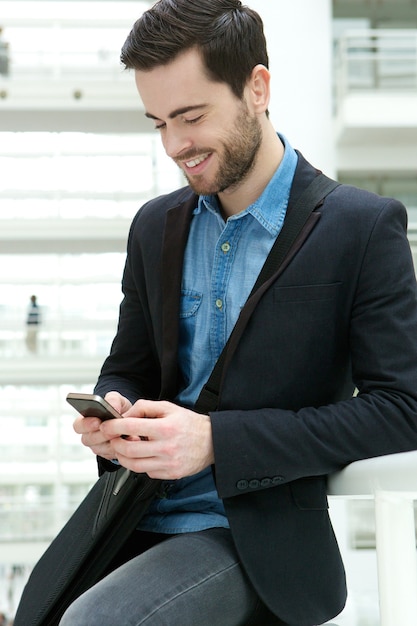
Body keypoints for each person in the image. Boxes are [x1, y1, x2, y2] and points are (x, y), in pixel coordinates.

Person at [60, 1, 417, 625]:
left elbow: (404, 409)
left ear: (257, 87)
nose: (176, 145)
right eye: (159, 123)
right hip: (131, 519)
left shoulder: (361, 227)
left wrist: (215, 442)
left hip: (253, 539)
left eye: (192, 117)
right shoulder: (153, 228)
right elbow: (127, 369)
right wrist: (112, 410)